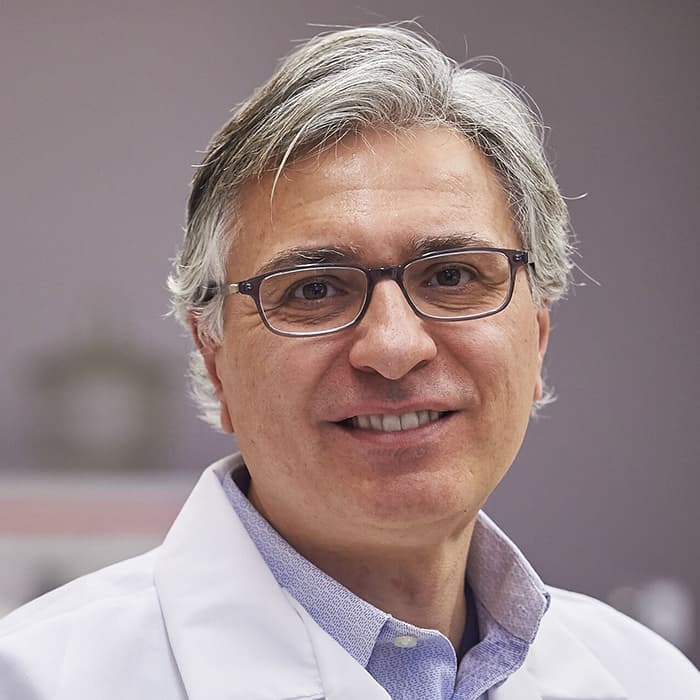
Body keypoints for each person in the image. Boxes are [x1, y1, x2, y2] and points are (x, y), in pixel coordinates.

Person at [0, 25, 698, 700]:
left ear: (537, 336)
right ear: (215, 360)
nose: (393, 348)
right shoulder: (37, 682)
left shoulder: (653, 683)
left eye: (452, 275)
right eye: (313, 289)